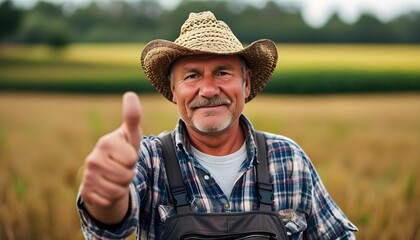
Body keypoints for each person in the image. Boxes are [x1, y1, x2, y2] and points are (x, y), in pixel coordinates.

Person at [76, 11, 357, 239]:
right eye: (192, 76)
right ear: (174, 90)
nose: (208, 90)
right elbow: (106, 228)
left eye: (222, 72)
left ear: (245, 84)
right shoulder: (149, 160)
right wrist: (107, 200)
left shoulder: (288, 159)